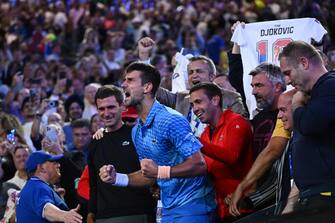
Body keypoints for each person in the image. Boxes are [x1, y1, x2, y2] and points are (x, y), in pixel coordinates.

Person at [99, 62, 216, 223]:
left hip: (193, 206)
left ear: (147, 87)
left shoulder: (170, 119)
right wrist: (117, 178)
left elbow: (199, 165)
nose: (123, 84)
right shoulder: (137, 131)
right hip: (167, 209)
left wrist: (160, 171)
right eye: (125, 80)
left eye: (130, 80)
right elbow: (149, 176)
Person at [138, 37, 247, 136]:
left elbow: (240, 130)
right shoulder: (179, 98)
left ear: (212, 77)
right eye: (190, 72)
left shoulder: (231, 98)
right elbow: (152, 88)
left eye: (199, 71)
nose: (194, 75)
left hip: (216, 153)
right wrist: (144, 57)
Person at [87, 85, 156, 223]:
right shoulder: (95, 142)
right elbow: (94, 184)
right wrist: (91, 212)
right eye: (101, 109)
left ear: (122, 106)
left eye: (111, 107)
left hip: (138, 213)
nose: (106, 113)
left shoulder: (137, 135)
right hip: (103, 217)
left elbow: (152, 174)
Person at [279, 41, 335, 206]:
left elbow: (307, 125)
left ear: (304, 63)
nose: (287, 81)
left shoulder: (330, 85)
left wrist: (296, 104)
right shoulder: (317, 91)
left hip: (328, 195)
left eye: (288, 73)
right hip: (318, 194)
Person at [189, 82, 253, 222]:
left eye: (198, 102)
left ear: (215, 100)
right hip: (219, 209)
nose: (194, 109)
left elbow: (232, 157)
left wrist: (195, 142)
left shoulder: (237, 122)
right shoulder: (205, 133)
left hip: (242, 207)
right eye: (192, 104)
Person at [229, 90, 296, 218]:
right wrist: (248, 196)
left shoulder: (310, 141)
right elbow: (280, 177)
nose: (279, 116)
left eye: (283, 110)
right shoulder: (286, 142)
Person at [16, 150, 83, 223]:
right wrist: (64, 215)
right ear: (41, 168)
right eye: (53, 162)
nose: (58, 165)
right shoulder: (38, 186)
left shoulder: (31, 186)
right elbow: (45, 208)